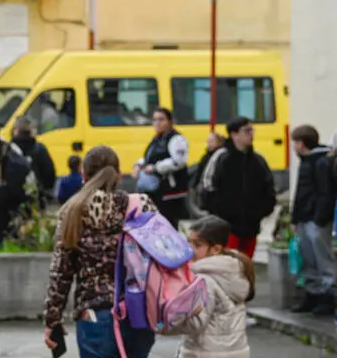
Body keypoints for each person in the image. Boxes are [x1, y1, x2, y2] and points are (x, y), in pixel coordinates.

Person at [44, 145, 156, 358]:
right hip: (140, 311)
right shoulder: (141, 204)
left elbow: (61, 272)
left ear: (83, 175)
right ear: (119, 174)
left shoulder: (73, 211)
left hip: (94, 312)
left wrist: (52, 319)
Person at [173, 215, 254, 358]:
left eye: (197, 245)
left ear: (216, 249)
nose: (190, 249)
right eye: (189, 242)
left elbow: (195, 323)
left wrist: (163, 324)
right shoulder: (235, 271)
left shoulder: (205, 279)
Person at [203, 117, 276, 259]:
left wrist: (261, 212)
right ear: (234, 134)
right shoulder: (221, 157)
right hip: (227, 226)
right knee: (228, 264)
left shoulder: (258, 160)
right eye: (246, 130)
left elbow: (269, 188)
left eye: (252, 130)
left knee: (246, 265)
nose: (251, 134)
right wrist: (220, 214)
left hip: (251, 225)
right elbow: (207, 187)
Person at [289, 125, 336, 315]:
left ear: (301, 144)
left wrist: (319, 218)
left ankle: (328, 294)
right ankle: (313, 292)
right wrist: (295, 218)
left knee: (322, 257)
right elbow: (301, 193)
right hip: (305, 217)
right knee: (308, 257)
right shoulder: (308, 161)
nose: (294, 147)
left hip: (315, 218)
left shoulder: (320, 162)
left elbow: (326, 193)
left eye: (295, 143)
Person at [133, 107, 189, 229]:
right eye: (155, 120)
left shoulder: (176, 139)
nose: (157, 123)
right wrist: (138, 165)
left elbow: (179, 161)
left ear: (170, 121)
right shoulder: (157, 139)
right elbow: (149, 158)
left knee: (168, 225)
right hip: (156, 192)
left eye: (161, 119)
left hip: (169, 192)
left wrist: (156, 168)